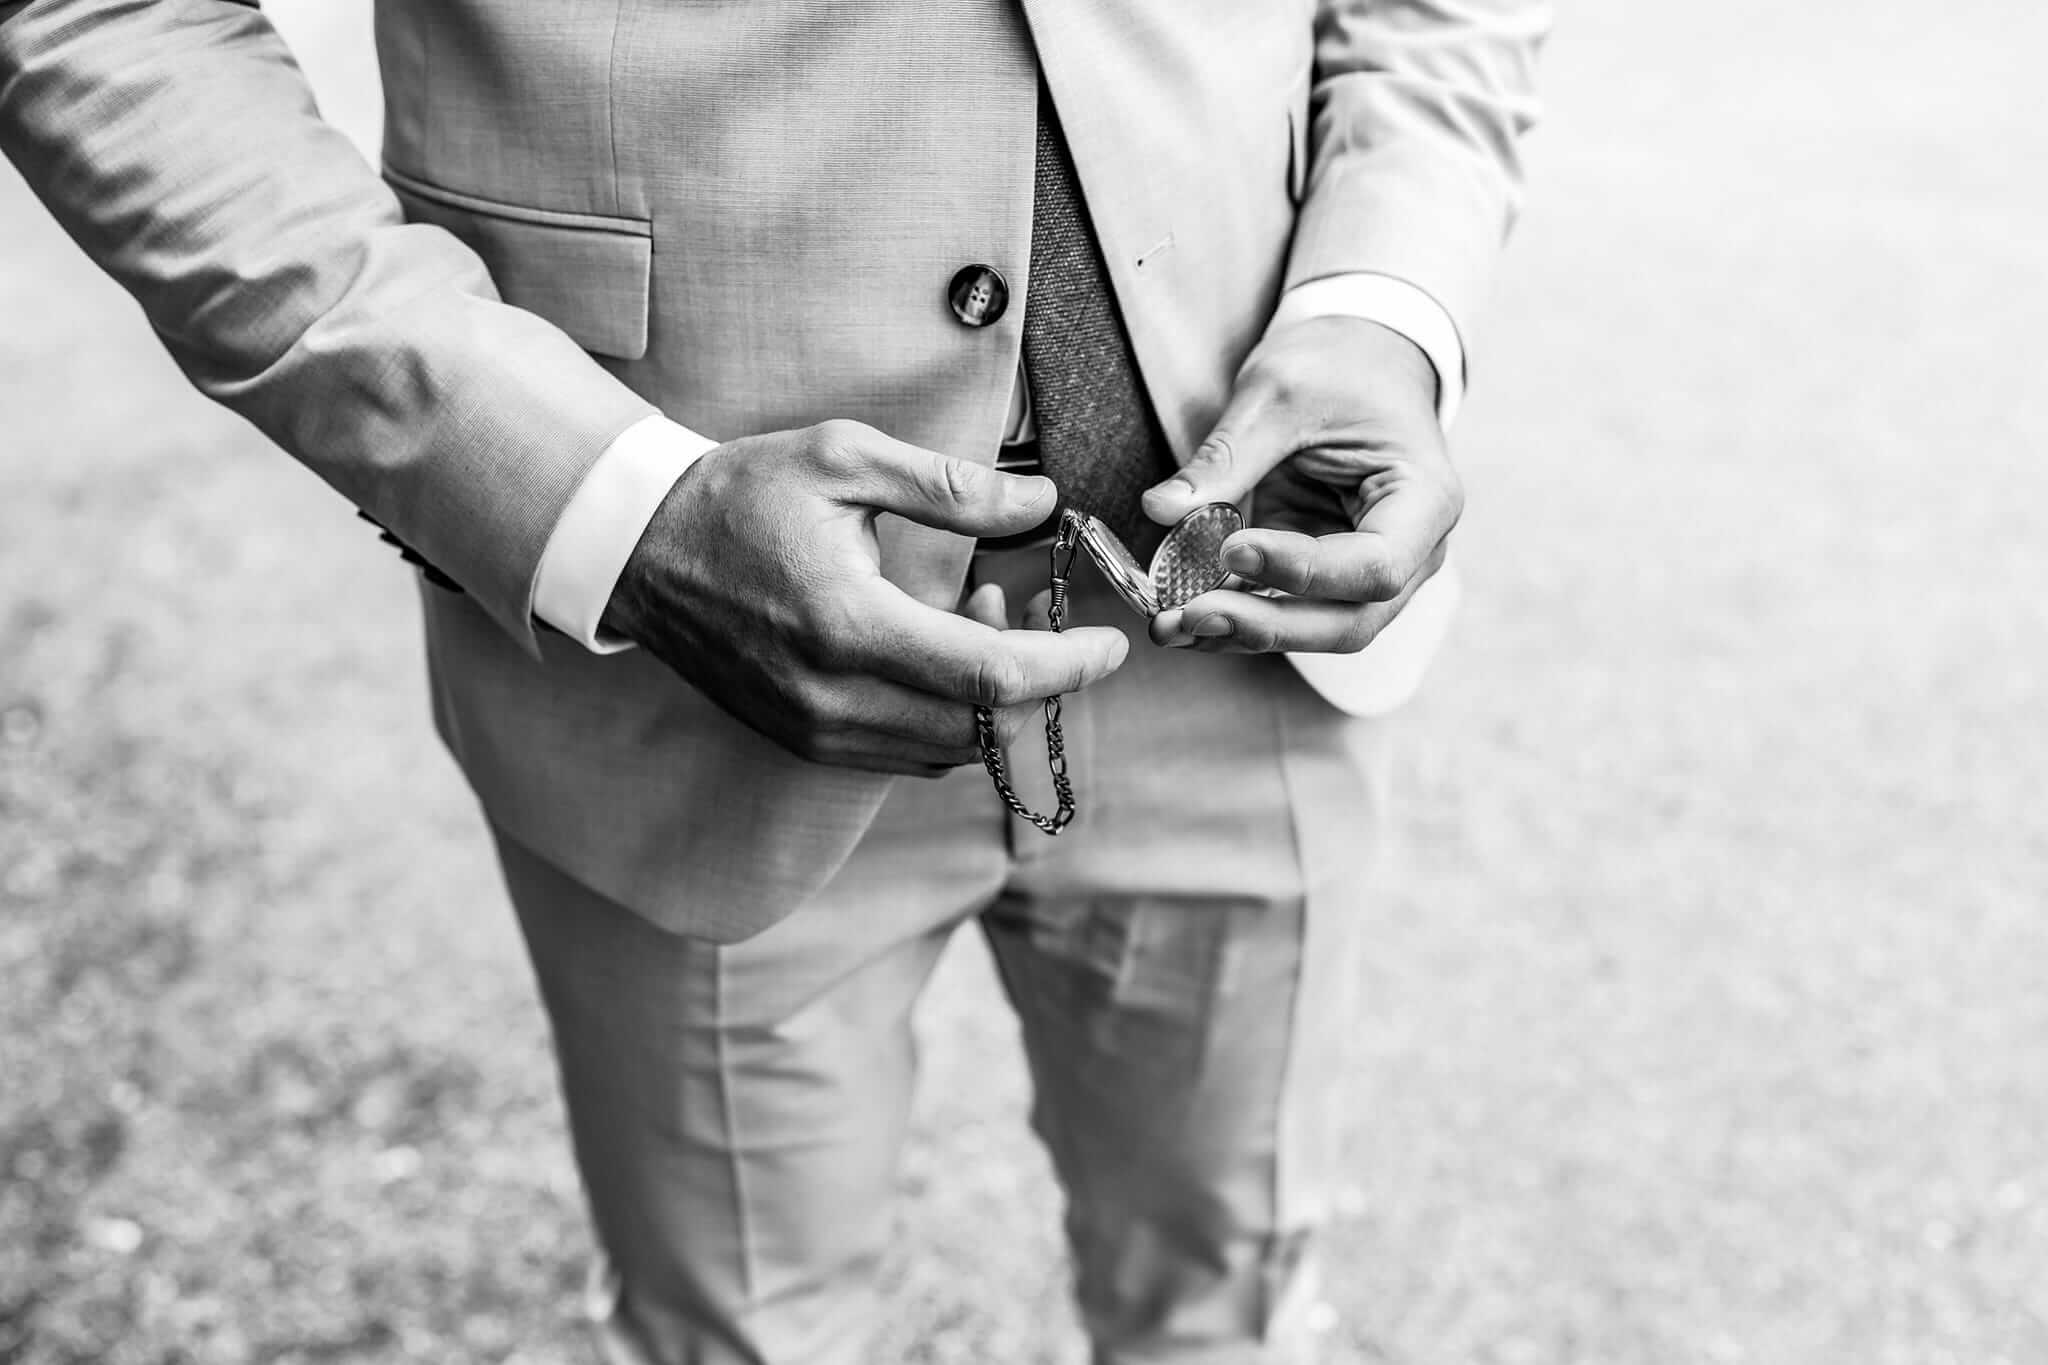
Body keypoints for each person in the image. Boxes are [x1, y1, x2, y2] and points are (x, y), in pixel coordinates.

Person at [0, 1, 1546, 1360]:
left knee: (1230, 1293)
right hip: (690, 662)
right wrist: (613, 510)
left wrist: (1383, 306)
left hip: (1244, 602)